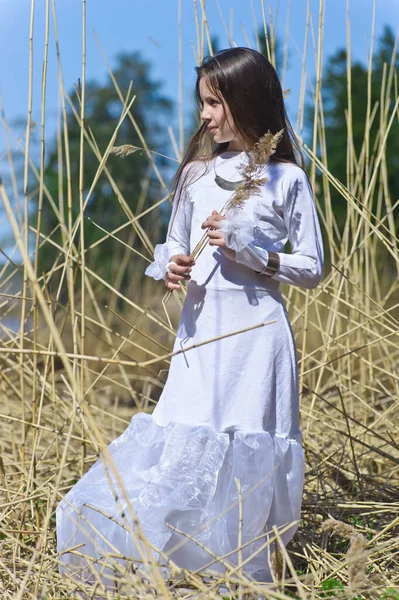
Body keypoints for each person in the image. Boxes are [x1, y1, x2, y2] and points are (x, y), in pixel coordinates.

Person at [56, 47, 324, 588]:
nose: (204, 115)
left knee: (245, 441)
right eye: (202, 102)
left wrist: (255, 251)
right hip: (200, 333)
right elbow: (173, 241)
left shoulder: (286, 178)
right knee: (183, 435)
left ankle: (238, 570)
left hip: (257, 338)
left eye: (214, 103)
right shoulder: (195, 174)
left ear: (246, 101)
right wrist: (171, 264)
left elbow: (314, 267)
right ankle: (169, 560)